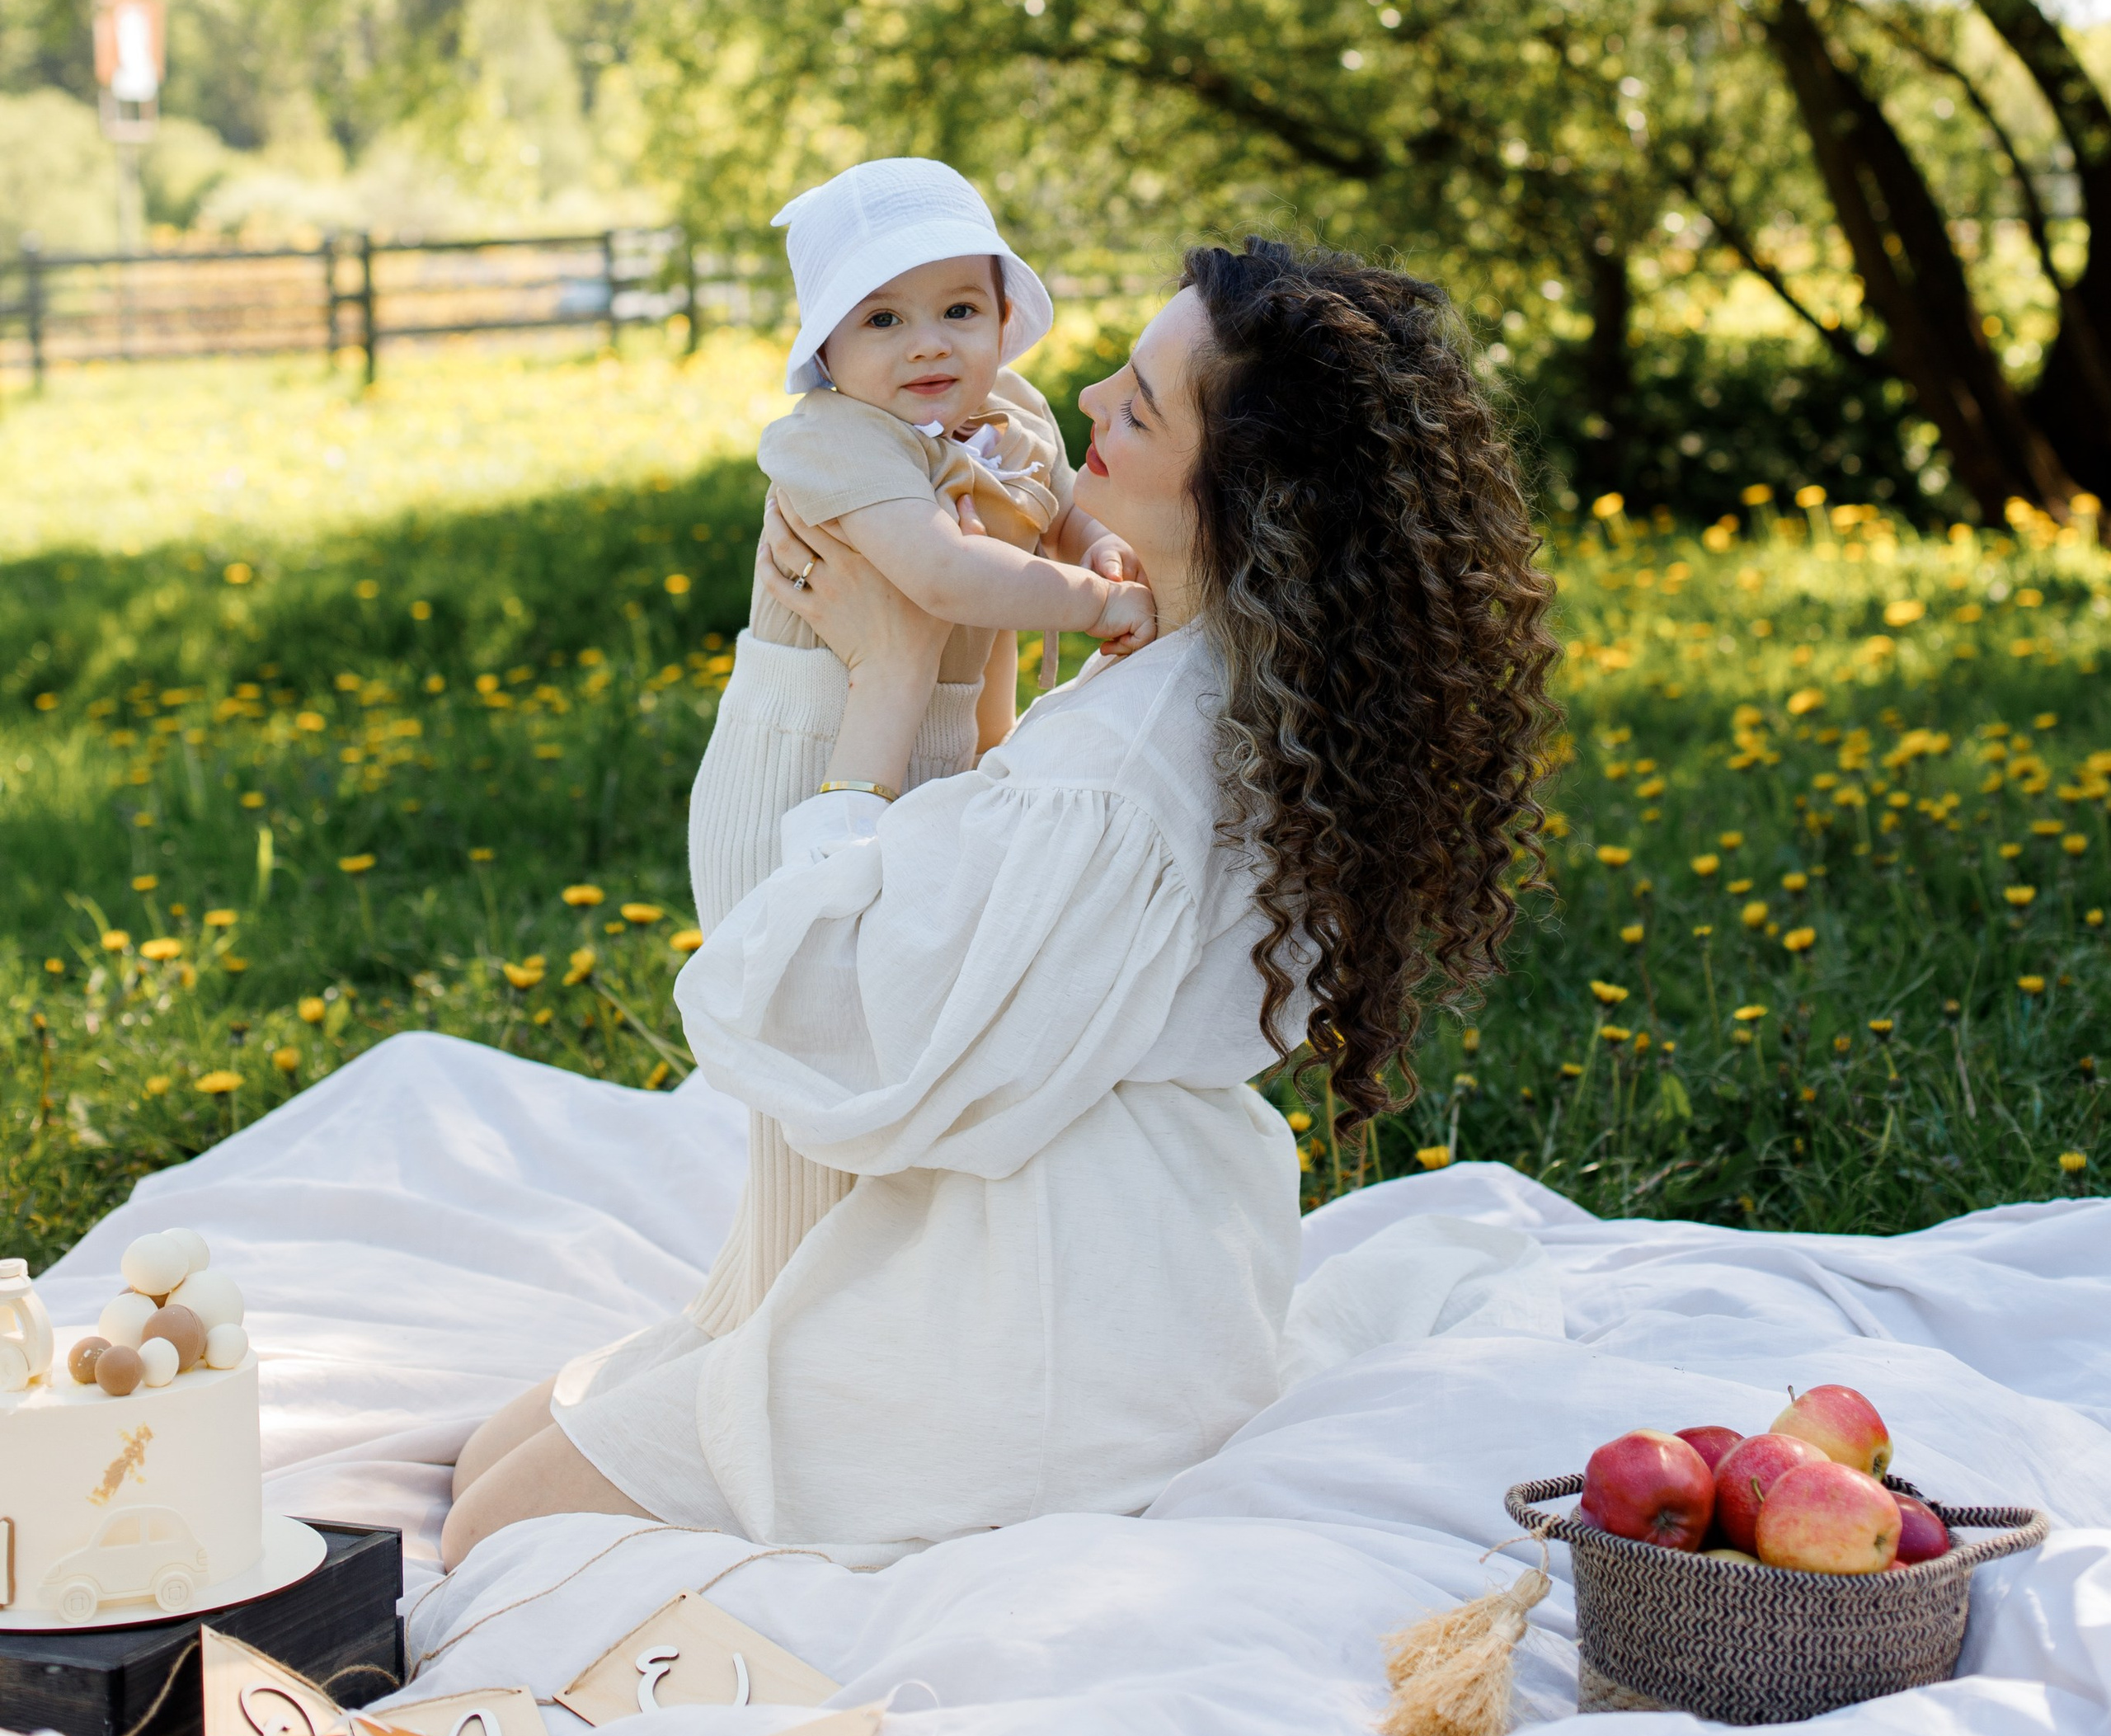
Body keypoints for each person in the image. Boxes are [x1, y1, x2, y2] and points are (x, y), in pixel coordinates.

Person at [443, 239, 1558, 1570]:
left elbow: (857, 1037)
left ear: (1242, 493)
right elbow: (1003, 893)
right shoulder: (1242, 675)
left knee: (485, 1530)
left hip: (1036, 1321)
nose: (1085, 397)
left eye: (1139, 405)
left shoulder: (1126, 769)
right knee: (491, 1450)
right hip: (1123, 1249)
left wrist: (884, 677)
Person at [691, 156, 1152, 1342]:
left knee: (892, 1045)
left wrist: (1094, 545)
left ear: (1005, 315)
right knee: (809, 1055)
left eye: (958, 308)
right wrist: (1096, 608)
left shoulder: (1018, 419)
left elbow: (1053, 507)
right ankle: (775, 1325)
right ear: (827, 352)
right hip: (797, 757)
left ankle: (876, 1316)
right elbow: (946, 574)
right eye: (880, 319)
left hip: (933, 751)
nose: (925, 344)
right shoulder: (835, 445)